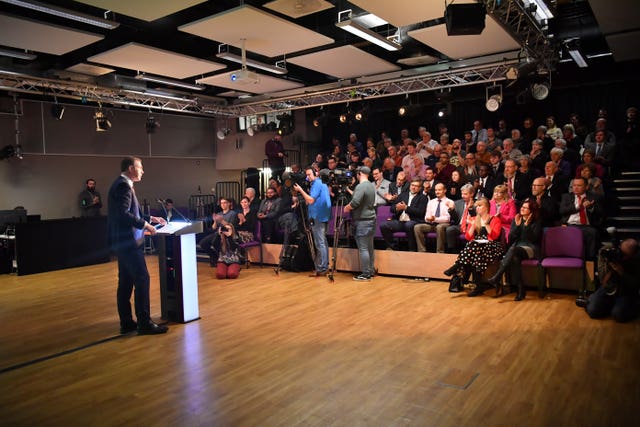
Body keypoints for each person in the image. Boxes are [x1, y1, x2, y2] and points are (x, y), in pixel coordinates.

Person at [107, 157, 168, 335]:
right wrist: (145, 225)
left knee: (126, 282)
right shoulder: (123, 186)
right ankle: (144, 322)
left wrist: (152, 219)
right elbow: (123, 214)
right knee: (142, 279)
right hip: (128, 242)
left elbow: (134, 212)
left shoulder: (123, 184)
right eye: (140, 167)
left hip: (123, 242)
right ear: (131, 168)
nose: (142, 171)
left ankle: (127, 322)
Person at [443, 197, 505, 297]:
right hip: (477, 248)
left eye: (480, 206)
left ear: (487, 207)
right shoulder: (474, 219)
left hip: (492, 247)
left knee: (474, 247)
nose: (477, 208)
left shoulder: (495, 219)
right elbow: (468, 237)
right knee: (475, 250)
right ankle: (478, 286)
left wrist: (487, 224)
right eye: (477, 206)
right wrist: (472, 226)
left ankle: (457, 266)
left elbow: (494, 237)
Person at [487, 198, 542, 301]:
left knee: (513, 251)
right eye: (522, 207)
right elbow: (511, 238)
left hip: (530, 248)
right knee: (515, 258)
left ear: (531, 210)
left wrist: (526, 226)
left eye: (526, 208)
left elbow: (534, 239)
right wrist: (517, 226)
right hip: (517, 247)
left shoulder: (536, 221)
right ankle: (521, 290)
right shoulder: (517, 219)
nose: (522, 209)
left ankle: (497, 276)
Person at [586, 238, 640, 322]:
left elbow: (635, 284)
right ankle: (603, 303)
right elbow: (602, 279)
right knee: (593, 311)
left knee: (619, 315)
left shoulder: (636, 261)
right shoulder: (612, 252)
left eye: (625, 255)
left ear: (633, 255)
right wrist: (609, 265)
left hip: (625, 291)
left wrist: (622, 273)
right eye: (621, 251)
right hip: (609, 287)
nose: (621, 255)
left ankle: (631, 305)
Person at [294, 166, 331, 277]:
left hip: (317, 216)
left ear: (316, 173)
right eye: (307, 175)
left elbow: (310, 200)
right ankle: (324, 266)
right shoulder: (322, 183)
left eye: (310, 174)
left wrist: (300, 190)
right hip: (323, 216)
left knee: (320, 243)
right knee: (323, 242)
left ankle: (322, 268)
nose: (308, 177)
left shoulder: (316, 184)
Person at [344, 166, 376, 281]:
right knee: (370, 247)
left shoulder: (361, 186)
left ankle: (366, 273)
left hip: (362, 220)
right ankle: (371, 270)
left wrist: (347, 207)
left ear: (359, 173)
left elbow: (356, 201)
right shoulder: (371, 186)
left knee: (363, 248)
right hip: (371, 219)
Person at [414, 182, 455, 253]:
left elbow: (447, 219)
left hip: (444, 224)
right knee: (417, 227)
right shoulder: (431, 202)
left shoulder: (449, 202)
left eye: (439, 190)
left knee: (439, 227)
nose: (437, 192)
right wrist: (429, 219)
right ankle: (422, 251)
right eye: (436, 190)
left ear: (444, 190)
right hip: (431, 224)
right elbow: (426, 216)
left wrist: (435, 219)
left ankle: (440, 252)